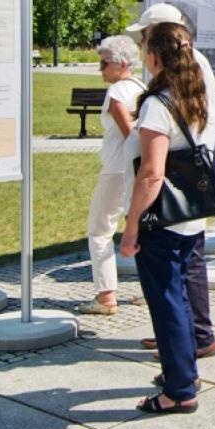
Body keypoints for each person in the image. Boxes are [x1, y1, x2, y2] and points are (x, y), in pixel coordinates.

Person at [119, 18, 215, 414]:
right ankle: (184, 371)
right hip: (190, 215)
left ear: (154, 56)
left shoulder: (158, 105)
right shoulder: (194, 96)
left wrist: (130, 227)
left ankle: (179, 389)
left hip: (161, 217)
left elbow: (152, 172)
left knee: (167, 303)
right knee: (177, 297)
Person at [77, 34, 144, 316]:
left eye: (104, 63)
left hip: (118, 167)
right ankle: (147, 288)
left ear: (119, 63)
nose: (100, 69)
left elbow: (130, 134)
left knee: (100, 229)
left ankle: (106, 294)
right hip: (135, 168)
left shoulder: (117, 92)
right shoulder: (143, 87)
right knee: (140, 226)